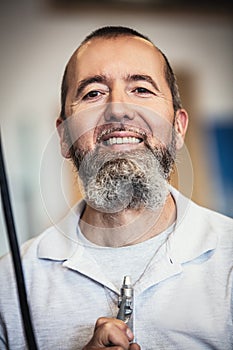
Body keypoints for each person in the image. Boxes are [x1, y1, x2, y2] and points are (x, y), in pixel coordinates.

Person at [0, 26, 232, 350]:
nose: (118, 108)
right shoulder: (9, 284)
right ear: (64, 136)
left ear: (178, 128)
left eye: (141, 89)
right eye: (93, 93)